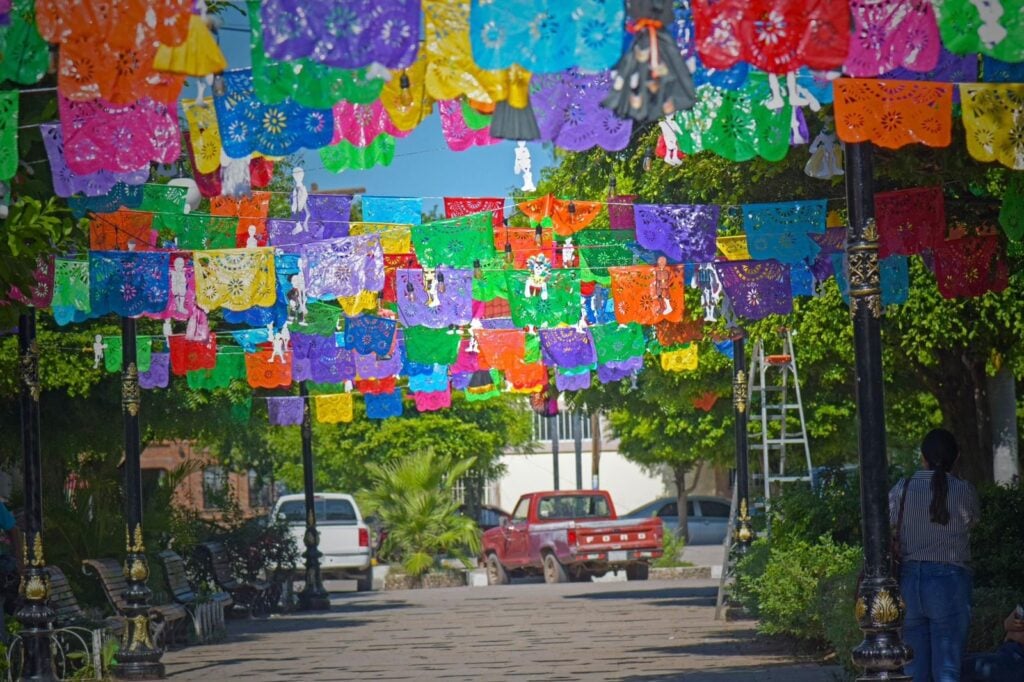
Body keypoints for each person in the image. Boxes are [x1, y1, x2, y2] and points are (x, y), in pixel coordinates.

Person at [890, 428, 980, 681]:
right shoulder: (965, 491)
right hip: (950, 580)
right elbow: (973, 521)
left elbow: (887, 519)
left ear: (922, 457)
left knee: (914, 668)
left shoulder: (903, 488)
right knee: (948, 668)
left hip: (910, 581)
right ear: (957, 456)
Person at [963, 607, 1024, 681]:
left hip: (1017, 659)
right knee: (958, 662)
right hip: (1007, 653)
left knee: (963, 667)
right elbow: (1007, 623)